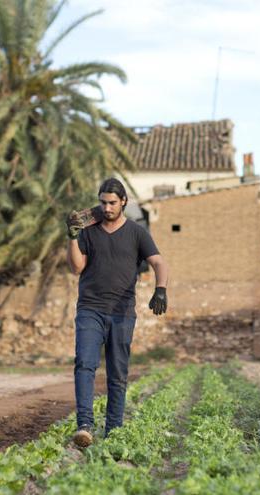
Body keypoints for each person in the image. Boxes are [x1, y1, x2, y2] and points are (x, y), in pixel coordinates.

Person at [64, 178, 169, 448]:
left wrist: (161, 289)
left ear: (123, 202)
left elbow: (157, 261)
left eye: (112, 202)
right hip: (90, 309)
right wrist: (73, 237)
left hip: (122, 312)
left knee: (117, 373)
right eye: (103, 202)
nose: (107, 207)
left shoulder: (136, 232)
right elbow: (77, 267)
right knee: (84, 364)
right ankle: (85, 426)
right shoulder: (89, 230)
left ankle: (114, 431)